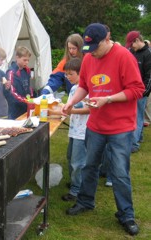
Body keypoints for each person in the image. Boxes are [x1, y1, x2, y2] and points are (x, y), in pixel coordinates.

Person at [63, 23, 144, 236]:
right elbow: (84, 86)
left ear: (107, 39)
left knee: (119, 173)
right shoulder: (89, 58)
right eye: (88, 50)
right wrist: (72, 102)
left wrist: (107, 99)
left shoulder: (124, 56)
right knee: (89, 166)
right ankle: (85, 201)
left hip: (120, 127)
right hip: (95, 126)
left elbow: (137, 90)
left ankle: (126, 214)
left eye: (96, 48)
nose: (92, 54)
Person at [48, 58, 89, 201]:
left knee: (78, 162)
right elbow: (69, 106)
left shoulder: (87, 90)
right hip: (74, 130)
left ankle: (77, 190)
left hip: (83, 132)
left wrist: (69, 112)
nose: (67, 77)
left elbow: (88, 110)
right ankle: (74, 182)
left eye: (70, 74)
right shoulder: (72, 89)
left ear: (81, 73)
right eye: (66, 74)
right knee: (71, 157)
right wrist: (57, 109)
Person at [125, 31, 151, 152]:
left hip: (141, 92)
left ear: (137, 40)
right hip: (131, 90)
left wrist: (143, 92)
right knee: (135, 115)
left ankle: (133, 145)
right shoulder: (132, 52)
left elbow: (149, 77)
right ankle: (138, 137)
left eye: (132, 44)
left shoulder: (148, 54)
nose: (131, 47)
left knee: (137, 117)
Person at [4, 46, 34, 119]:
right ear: (17, 58)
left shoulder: (27, 70)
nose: (26, 62)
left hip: (25, 106)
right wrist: (25, 100)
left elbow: (28, 87)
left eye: (28, 60)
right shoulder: (11, 72)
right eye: (24, 60)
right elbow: (12, 92)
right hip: (15, 108)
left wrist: (31, 97)